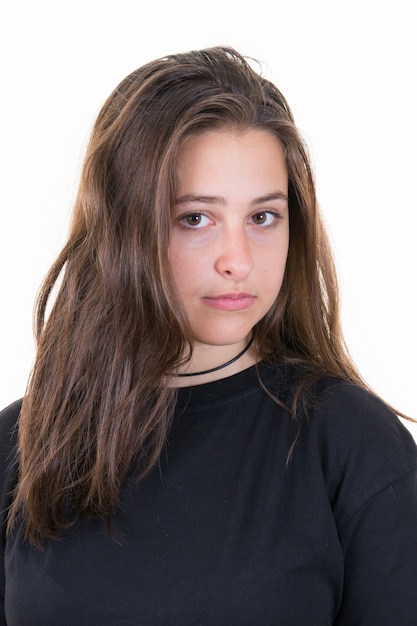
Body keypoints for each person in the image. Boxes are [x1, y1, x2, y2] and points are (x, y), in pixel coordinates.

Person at [1, 46, 416, 625]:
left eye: (262, 217)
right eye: (195, 217)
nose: (238, 260)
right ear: (124, 230)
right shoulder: (25, 443)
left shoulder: (350, 444)